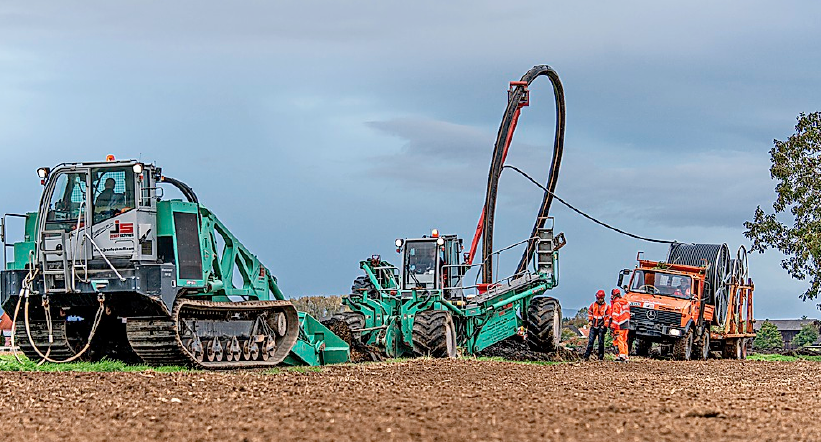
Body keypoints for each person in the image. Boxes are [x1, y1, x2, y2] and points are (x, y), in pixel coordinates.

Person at [583, 290, 610, 361]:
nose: (598, 300)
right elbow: (590, 312)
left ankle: (601, 357)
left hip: (601, 327)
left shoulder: (607, 307)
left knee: (601, 343)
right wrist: (590, 320)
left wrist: (604, 326)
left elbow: (607, 317)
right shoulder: (593, 305)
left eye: (599, 298)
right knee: (590, 342)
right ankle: (586, 356)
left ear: (602, 298)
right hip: (593, 327)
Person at [609, 288, 630, 361]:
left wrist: (612, 327)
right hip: (626, 324)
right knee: (624, 341)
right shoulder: (626, 303)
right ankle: (626, 355)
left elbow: (615, 317)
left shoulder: (616, 304)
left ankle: (621, 355)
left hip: (619, 325)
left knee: (619, 340)